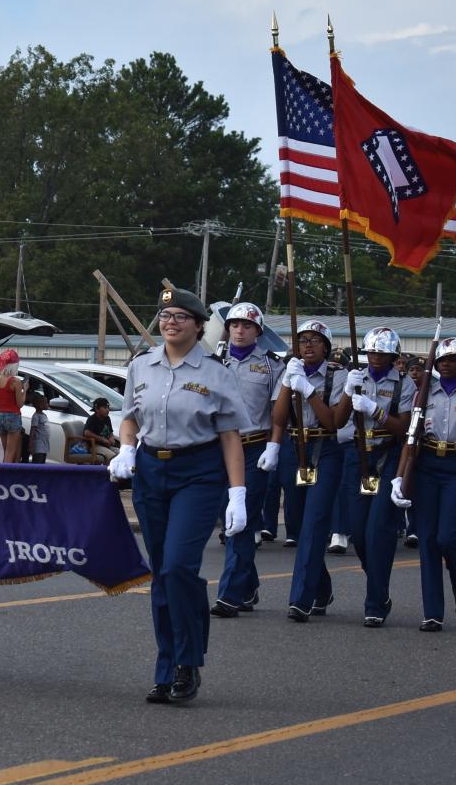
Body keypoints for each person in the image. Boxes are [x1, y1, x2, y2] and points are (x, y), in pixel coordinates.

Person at [108, 288, 249, 704]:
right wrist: (126, 448)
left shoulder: (216, 371)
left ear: (199, 325)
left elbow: (230, 436)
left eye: (180, 316)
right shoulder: (141, 366)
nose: (170, 322)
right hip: (152, 472)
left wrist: (237, 492)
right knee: (161, 573)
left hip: (199, 473)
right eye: (165, 315)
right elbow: (129, 418)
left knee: (178, 568)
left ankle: (188, 662)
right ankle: (166, 667)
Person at [390, 339, 456, 630]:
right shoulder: (424, 392)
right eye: (441, 360)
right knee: (426, 540)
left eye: (453, 359)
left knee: (448, 538)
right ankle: (432, 612)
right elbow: (411, 439)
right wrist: (400, 476)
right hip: (426, 467)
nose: (445, 363)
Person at [331, 327, 415, 627]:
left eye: (383, 353)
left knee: (379, 530)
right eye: (372, 352)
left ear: (394, 356)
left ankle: (375, 602)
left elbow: (403, 427)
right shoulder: (352, 377)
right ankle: (379, 586)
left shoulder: (404, 383)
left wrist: (373, 410)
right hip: (357, 455)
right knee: (358, 532)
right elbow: (337, 421)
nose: (376, 357)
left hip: (387, 455)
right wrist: (346, 392)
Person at [266, 319, 341, 622]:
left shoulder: (338, 375)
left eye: (314, 340)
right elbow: (279, 417)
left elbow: (333, 421)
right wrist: (288, 383)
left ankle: (301, 599)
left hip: (326, 450)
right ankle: (321, 588)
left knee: (314, 522)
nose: (308, 345)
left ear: (326, 346)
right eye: (302, 340)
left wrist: (308, 391)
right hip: (295, 449)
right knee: (297, 523)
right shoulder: (290, 371)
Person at [213, 302, 280, 619]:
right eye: (235, 325)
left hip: (253, 449)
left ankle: (229, 594)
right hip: (216, 450)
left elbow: (278, 413)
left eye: (247, 326)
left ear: (258, 331)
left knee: (239, 524)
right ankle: (248, 583)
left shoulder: (271, 366)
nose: (239, 330)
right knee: (225, 518)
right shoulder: (213, 362)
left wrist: (275, 446)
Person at [0, 349, 26, 463]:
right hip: (13, 416)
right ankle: (6, 478)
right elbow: (20, 404)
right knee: (10, 452)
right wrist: (24, 391)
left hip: (1, 416)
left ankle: (2, 474)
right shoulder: (15, 382)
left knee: (6, 450)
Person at [82, 397, 120, 464]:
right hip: (94, 446)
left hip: (106, 445)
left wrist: (111, 438)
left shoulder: (107, 418)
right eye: (105, 408)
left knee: (121, 454)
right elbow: (86, 433)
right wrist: (102, 439)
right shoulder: (92, 419)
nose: (108, 410)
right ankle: (108, 473)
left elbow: (110, 431)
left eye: (108, 408)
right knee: (112, 457)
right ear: (97, 409)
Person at [27, 392, 51, 463]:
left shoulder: (43, 415)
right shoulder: (36, 416)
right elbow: (33, 430)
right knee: (38, 461)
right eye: (46, 403)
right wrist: (31, 444)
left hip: (44, 443)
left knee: (43, 460)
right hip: (39, 445)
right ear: (40, 405)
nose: (48, 404)